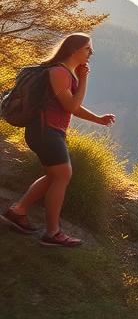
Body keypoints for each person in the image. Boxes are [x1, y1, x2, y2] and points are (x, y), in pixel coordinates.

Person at [1, 34, 116, 247]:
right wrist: (84, 79)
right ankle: (52, 232)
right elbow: (71, 106)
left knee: (54, 176)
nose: (91, 53)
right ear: (74, 50)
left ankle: (17, 211)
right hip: (45, 132)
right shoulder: (59, 72)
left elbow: (70, 106)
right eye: (88, 49)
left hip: (50, 132)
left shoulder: (65, 73)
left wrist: (98, 120)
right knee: (63, 174)